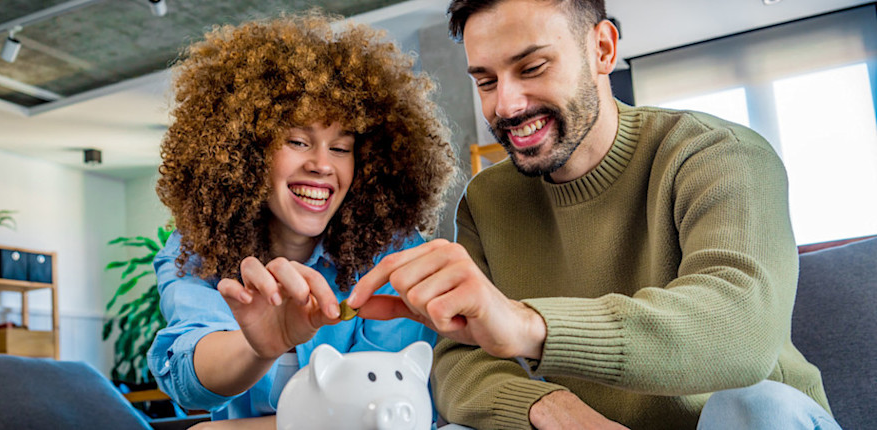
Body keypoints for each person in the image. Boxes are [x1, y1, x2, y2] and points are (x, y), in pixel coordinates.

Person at [347, 0, 840, 429]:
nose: (507, 104)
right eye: (486, 81)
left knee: (757, 408)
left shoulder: (717, 154)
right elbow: (459, 361)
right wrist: (548, 406)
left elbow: (742, 330)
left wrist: (529, 324)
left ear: (603, 49)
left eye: (533, 67)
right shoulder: (488, 200)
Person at [147, 12, 456, 427]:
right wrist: (259, 347)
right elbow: (188, 375)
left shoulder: (396, 255)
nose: (322, 165)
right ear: (245, 150)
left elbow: (393, 405)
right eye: (297, 141)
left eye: (342, 148)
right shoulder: (197, 251)